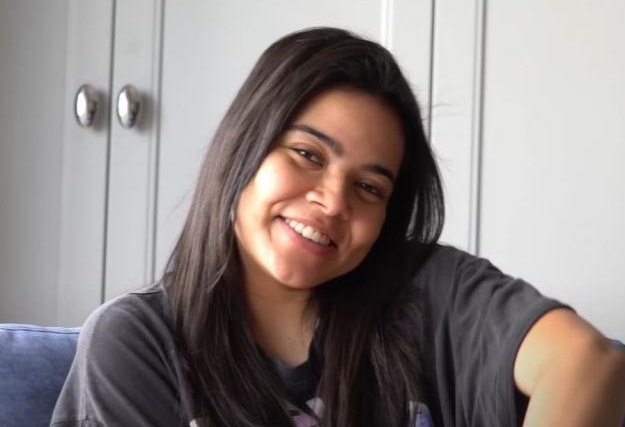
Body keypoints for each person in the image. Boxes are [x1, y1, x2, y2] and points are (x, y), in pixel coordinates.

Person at [51, 27, 625, 427]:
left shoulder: (430, 292)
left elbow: (588, 365)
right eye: (307, 154)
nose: (331, 201)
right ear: (245, 146)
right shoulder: (139, 342)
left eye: (369, 187)